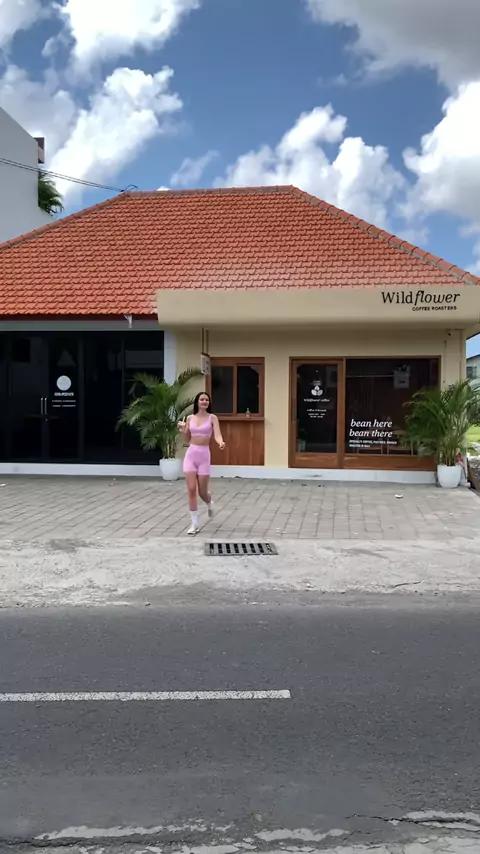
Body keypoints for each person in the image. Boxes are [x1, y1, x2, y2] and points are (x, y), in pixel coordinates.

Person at [178, 391, 225, 535]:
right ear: (197, 402)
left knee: (202, 492)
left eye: (206, 400)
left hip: (204, 456)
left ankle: (209, 503)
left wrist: (220, 442)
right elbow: (187, 439)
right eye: (202, 399)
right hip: (191, 455)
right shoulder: (190, 418)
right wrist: (182, 430)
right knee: (192, 490)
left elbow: (217, 435)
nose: (204, 401)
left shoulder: (212, 418)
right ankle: (194, 523)